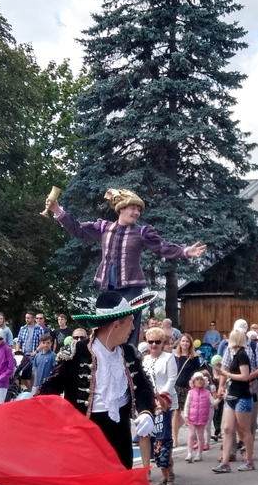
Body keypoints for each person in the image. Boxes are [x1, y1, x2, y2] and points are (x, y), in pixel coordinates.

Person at [31, 289, 157, 485]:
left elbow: (144, 386)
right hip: (83, 437)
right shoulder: (77, 354)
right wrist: (30, 407)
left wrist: (145, 412)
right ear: (113, 324)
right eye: (129, 321)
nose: (133, 327)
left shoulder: (128, 353)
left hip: (115, 434)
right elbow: (48, 390)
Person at [47, 188, 206, 345]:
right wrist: (58, 211)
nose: (137, 212)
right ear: (121, 208)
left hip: (132, 289)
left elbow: (162, 247)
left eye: (139, 210)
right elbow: (78, 229)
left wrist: (185, 251)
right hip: (109, 288)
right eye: (133, 208)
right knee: (107, 326)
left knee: (126, 322)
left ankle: (129, 357)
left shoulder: (142, 232)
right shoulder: (104, 228)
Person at [213, 329, 255, 473]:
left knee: (244, 430)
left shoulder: (242, 355)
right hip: (232, 395)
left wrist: (227, 374)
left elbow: (245, 376)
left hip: (242, 395)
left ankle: (249, 460)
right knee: (227, 428)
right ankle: (225, 462)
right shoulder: (235, 354)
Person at [143, 327, 178, 485]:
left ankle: (168, 471)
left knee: (164, 438)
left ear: (163, 343)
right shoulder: (145, 359)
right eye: (151, 342)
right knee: (151, 435)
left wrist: (161, 396)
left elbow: (172, 379)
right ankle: (155, 469)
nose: (154, 345)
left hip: (165, 400)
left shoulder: (169, 358)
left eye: (157, 342)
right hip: (150, 402)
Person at [172, 334, 203, 444]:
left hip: (189, 387)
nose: (185, 343)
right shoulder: (175, 356)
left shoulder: (194, 357)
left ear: (190, 343)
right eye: (183, 341)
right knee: (177, 411)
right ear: (180, 342)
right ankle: (175, 438)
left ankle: (193, 437)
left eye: (187, 342)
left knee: (191, 413)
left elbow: (197, 372)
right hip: (177, 386)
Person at [184, 371, 213, 462]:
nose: (199, 381)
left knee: (200, 436)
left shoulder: (207, 393)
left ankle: (199, 454)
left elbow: (214, 402)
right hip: (192, 417)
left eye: (201, 379)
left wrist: (220, 398)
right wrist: (186, 416)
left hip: (202, 418)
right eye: (197, 379)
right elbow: (187, 405)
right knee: (191, 435)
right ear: (193, 382)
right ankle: (189, 453)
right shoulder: (191, 393)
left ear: (204, 382)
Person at [15, 310, 44, 392]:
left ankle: (32, 392)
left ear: (33, 319)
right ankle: (29, 390)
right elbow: (18, 341)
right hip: (24, 355)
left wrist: (36, 351)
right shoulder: (22, 328)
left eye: (28, 318)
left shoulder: (39, 329)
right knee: (21, 375)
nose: (26, 320)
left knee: (32, 375)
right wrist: (18, 351)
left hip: (35, 355)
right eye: (26, 318)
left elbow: (42, 343)